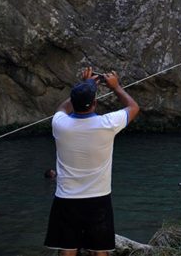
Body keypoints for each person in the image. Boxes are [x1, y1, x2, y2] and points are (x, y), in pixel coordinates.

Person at [44, 67, 140, 256]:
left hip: (66, 198)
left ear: (74, 101)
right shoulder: (107, 124)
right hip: (98, 198)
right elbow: (133, 107)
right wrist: (116, 87)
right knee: (99, 250)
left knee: (67, 248)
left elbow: (62, 109)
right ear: (95, 103)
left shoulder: (59, 124)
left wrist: (83, 87)